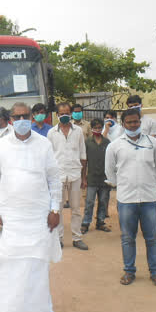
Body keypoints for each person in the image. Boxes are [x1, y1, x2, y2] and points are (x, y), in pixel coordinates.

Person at [0, 102, 62, 312]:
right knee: (10, 263)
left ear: (31, 117)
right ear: (10, 120)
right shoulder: (1, 146)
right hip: (10, 218)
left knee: (36, 264)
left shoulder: (44, 144)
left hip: (38, 217)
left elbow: (53, 178)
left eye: (25, 116)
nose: (21, 120)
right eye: (17, 117)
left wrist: (55, 208)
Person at [105, 108, 156, 286]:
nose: (133, 125)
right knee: (127, 238)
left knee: (152, 237)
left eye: (136, 121)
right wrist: (124, 184)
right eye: (129, 122)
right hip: (126, 200)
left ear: (140, 122)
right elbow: (110, 172)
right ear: (123, 124)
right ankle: (129, 271)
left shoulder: (152, 143)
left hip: (149, 198)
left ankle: (155, 272)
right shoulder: (114, 145)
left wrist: (149, 182)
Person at [48, 102, 88, 250]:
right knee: (57, 209)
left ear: (70, 114)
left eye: (67, 113)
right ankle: (58, 239)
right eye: (61, 113)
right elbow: (49, 157)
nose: (64, 116)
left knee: (76, 209)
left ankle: (77, 238)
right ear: (57, 115)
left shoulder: (77, 131)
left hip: (75, 174)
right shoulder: (51, 133)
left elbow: (83, 154)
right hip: (58, 176)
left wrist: (84, 177)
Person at [82, 119, 111, 234]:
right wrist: (83, 177)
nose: (98, 130)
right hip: (91, 178)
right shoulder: (87, 142)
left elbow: (111, 161)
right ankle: (86, 223)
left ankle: (100, 222)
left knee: (103, 201)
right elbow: (84, 161)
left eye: (100, 128)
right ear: (92, 128)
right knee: (89, 202)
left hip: (105, 178)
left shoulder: (107, 142)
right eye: (95, 128)